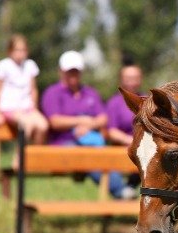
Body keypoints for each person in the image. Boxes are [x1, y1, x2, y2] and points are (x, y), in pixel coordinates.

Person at [41, 50, 133, 199]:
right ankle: (121, 191)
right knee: (90, 155)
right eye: (69, 71)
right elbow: (55, 121)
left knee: (99, 153)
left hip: (92, 142)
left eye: (76, 71)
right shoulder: (53, 93)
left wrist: (88, 126)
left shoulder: (90, 93)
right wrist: (81, 121)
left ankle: (125, 191)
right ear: (61, 72)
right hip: (63, 144)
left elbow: (103, 117)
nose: (73, 75)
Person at [0, 34, 49, 144]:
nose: (20, 53)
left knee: (43, 126)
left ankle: (35, 156)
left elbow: (33, 90)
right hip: (9, 108)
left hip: (27, 108)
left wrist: (34, 108)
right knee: (27, 124)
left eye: (23, 50)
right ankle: (19, 159)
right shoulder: (3, 66)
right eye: (17, 50)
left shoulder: (30, 65)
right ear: (10, 51)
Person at [105, 62, 144, 192]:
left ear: (140, 79)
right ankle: (125, 190)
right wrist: (133, 142)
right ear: (121, 80)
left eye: (135, 78)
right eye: (128, 79)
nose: (131, 82)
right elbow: (112, 132)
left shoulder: (148, 100)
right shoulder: (114, 103)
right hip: (123, 150)